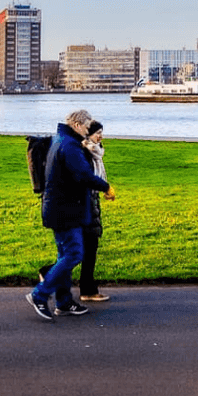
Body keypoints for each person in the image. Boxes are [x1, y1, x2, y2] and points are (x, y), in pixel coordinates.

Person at [27, 109, 112, 321]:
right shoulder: (70, 146)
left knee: (64, 254)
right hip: (66, 210)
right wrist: (106, 187)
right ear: (76, 125)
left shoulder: (61, 140)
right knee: (74, 254)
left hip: (59, 208)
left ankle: (63, 302)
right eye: (85, 127)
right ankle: (40, 294)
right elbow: (84, 175)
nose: (86, 131)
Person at [77, 119, 112, 301]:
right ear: (88, 134)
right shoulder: (86, 153)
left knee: (86, 249)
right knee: (84, 249)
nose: (101, 136)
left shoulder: (95, 153)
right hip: (86, 204)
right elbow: (88, 179)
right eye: (97, 132)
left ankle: (88, 289)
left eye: (101, 132)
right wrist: (104, 187)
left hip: (92, 201)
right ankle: (87, 290)